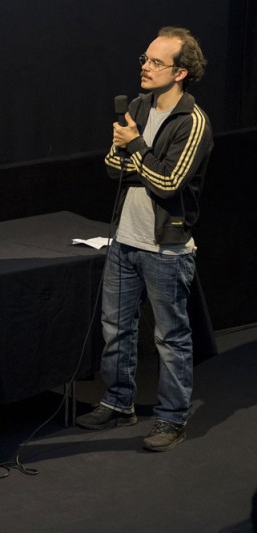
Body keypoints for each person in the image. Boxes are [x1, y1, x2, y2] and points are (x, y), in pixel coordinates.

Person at [75, 27, 213, 452]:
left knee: (170, 339)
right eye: (145, 59)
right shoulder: (137, 106)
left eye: (156, 62)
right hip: (124, 238)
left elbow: (169, 183)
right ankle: (119, 402)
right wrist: (140, 158)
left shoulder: (192, 122)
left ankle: (171, 419)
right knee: (116, 327)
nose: (146, 67)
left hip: (166, 248)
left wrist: (135, 145)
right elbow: (113, 167)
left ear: (181, 72)